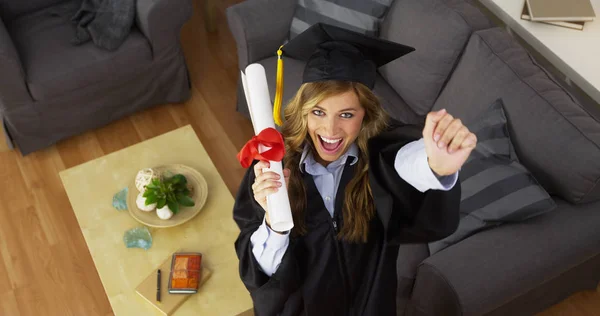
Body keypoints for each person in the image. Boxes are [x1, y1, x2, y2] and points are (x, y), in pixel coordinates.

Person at [233, 23, 477, 316]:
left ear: (366, 115)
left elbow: (406, 162)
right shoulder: (273, 165)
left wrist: (436, 164)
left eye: (346, 114)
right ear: (303, 111)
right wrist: (274, 223)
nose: (330, 130)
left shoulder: (377, 160)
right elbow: (259, 274)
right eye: (318, 112)